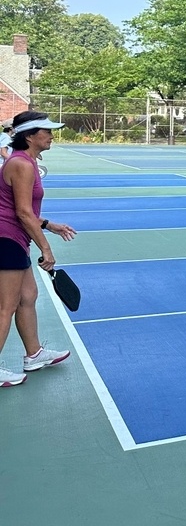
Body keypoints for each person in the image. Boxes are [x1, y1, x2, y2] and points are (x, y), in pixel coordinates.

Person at [0, 111, 76, 387]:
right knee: (5, 307)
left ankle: (34, 354)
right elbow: (21, 212)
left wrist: (49, 224)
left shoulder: (25, 160)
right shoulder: (22, 164)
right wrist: (47, 248)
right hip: (6, 238)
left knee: (28, 296)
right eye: (47, 131)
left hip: (15, 238)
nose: (52, 135)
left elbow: (23, 210)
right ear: (30, 135)